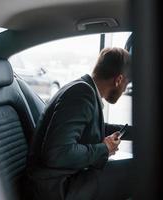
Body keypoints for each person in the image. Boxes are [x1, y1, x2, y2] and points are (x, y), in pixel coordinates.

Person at [27, 47, 132, 200]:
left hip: (63, 179)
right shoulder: (82, 94)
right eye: (126, 85)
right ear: (119, 80)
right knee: (137, 171)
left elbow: (98, 127)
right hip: (58, 188)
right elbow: (57, 154)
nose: (123, 91)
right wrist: (104, 148)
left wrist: (141, 132)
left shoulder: (84, 88)